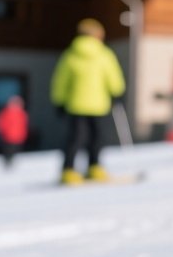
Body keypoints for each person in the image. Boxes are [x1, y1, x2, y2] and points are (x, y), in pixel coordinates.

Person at [51, 18, 126, 184]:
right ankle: (95, 167)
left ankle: (68, 169)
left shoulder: (70, 55)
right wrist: (117, 93)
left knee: (75, 138)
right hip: (99, 105)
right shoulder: (105, 54)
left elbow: (61, 81)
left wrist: (59, 101)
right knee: (97, 138)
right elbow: (113, 76)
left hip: (76, 105)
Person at [0, 94, 28, 170]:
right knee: (9, 151)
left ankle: (10, 163)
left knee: (12, 151)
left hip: (14, 136)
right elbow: (1, 123)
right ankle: (8, 163)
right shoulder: (8, 112)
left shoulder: (20, 113)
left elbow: (23, 125)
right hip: (9, 136)